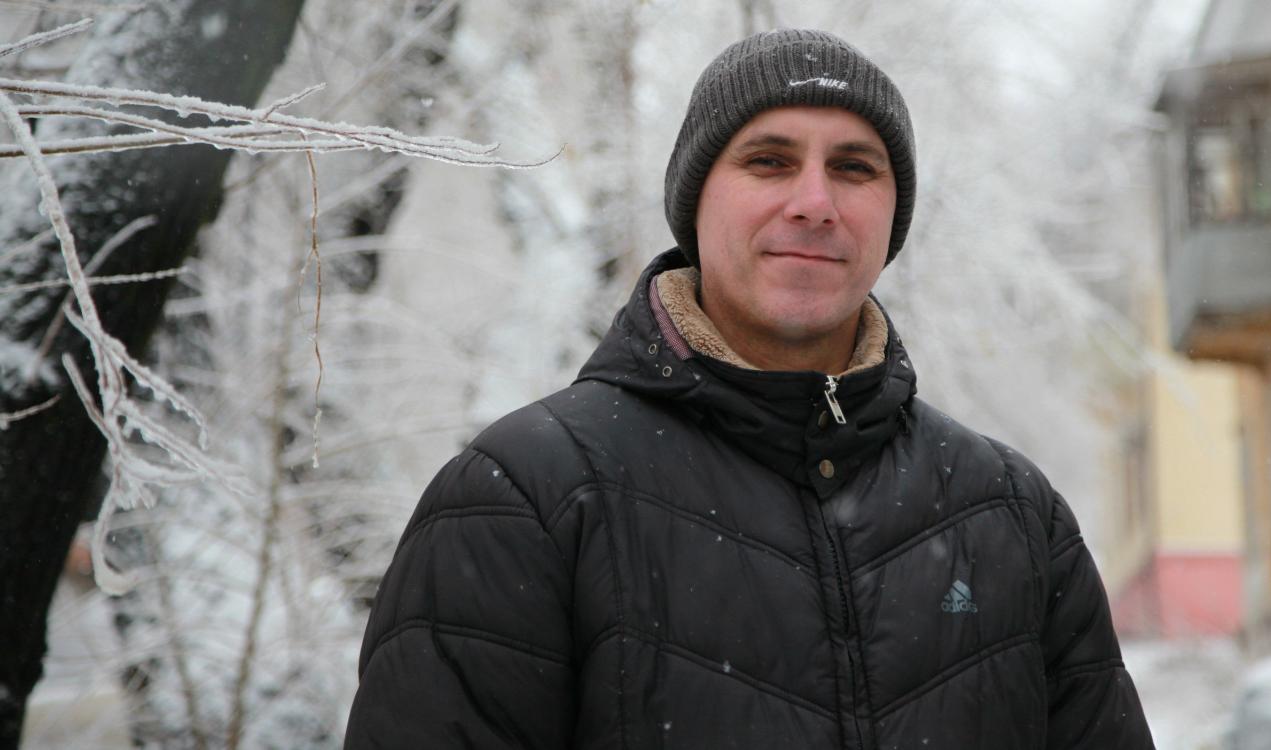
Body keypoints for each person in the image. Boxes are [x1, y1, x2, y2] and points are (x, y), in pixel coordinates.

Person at [344, 28, 1154, 749]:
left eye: (854, 168)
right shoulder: (524, 499)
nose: (815, 203)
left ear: (893, 219)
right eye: (769, 161)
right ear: (696, 201)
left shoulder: (1010, 514)